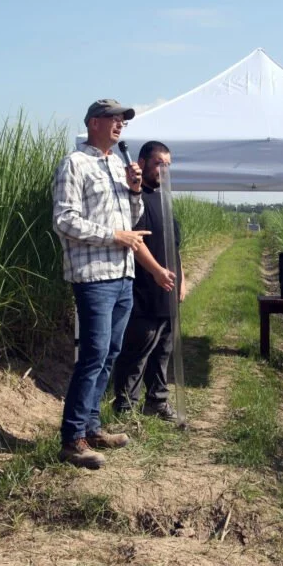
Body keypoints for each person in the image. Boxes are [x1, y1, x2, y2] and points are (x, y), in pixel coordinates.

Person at [52, 98, 154, 469]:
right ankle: (72, 439)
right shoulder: (74, 164)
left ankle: (92, 426)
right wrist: (115, 236)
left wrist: (136, 191)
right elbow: (64, 220)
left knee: (111, 353)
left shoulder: (117, 164)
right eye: (114, 119)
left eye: (123, 121)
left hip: (123, 274)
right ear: (94, 122)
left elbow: (132, 217)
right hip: (94, 275)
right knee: (93, 355)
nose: (120, 125)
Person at [112, 141, 184, 422]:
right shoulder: (135, 199)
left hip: (168, 289)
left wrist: (182, 280)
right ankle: (126, 408)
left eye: (167, 164)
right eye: (158, 163)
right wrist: (156, 271)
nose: (163, 170)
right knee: (138, 350)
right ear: (141, 163)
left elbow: (174, 245)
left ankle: (157, 401)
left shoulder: (166, 199)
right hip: (144, 289)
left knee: (163, 350)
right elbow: (135, 241)